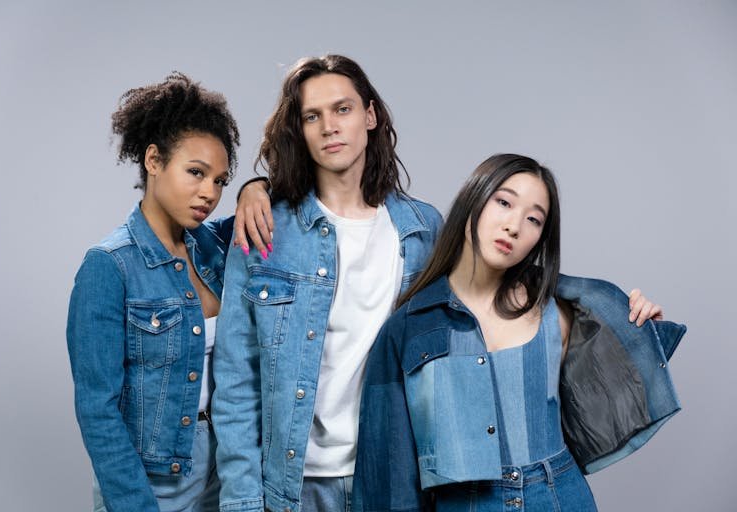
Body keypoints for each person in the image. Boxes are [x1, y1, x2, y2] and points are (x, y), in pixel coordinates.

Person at [353, 154, 685, 511]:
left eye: (533, 219)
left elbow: (621, 383)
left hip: (560, 498)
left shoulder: (559, 309)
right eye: (504, 202)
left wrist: (635, 322)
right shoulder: (408, 328)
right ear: (473, 201)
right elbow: (388, 476)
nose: (514, 226)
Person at [211, 55, 443, 512]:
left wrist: (610, 305)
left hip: (397, 476)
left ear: (370, 116)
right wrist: (242, 502)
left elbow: (490, 297)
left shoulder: (422, 229)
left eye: (343, 109)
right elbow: (236, 381)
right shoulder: (263, 228)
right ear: (299, 130)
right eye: (311, 116)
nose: (329, 127)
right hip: (295, 485)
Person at [66, 72, 241, 512]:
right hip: (152, 480)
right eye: (196, 173)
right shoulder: (109, 266)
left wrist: (255, 186)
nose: (209, 193)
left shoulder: (215, 247)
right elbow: (98, 409)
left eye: (220, 181)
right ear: (153, 160)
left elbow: (276, 203)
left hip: (226, 468)